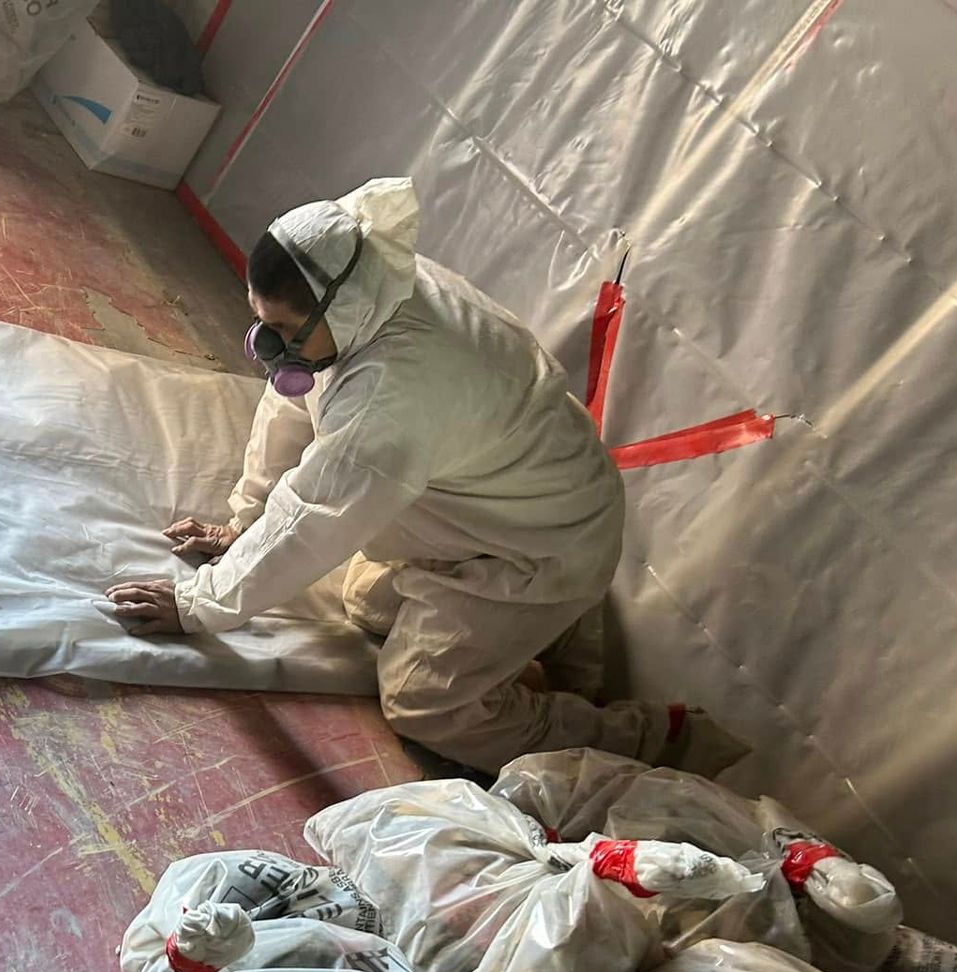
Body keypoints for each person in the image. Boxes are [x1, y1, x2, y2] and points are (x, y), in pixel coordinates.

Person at [105, 178, 745, 777]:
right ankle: (547, 632)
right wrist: (243, 522)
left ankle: (652, 736)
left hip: (539, 546)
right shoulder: (371, 284)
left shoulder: (395, 392)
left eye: (281, 331)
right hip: (497, 506)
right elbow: (291, 401)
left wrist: (200, 605)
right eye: (262, 323)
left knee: (423, 704)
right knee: (363, 602)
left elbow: (315, 513)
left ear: (338, 308)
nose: (270, 346)